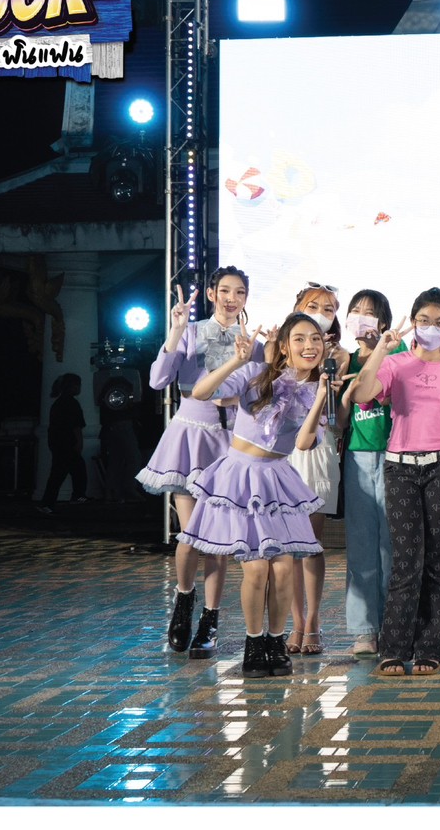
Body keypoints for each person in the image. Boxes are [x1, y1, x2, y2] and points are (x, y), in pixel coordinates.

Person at [180, 312, 328, 679]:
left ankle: (275, 643)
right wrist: (237, 360)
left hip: (277, 479)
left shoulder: (319, 390)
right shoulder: (256, 373)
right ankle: (253, 643)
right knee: (257, 567)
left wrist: (321, 398)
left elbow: (304, 443)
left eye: (315, 339)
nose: (309, 346)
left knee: (283, 568)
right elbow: (201, 392)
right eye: (299, 339)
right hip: (239, 477)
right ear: (285, 346)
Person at [351, 288, 440, 677]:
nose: (431, 328)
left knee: (437, 562)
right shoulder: (395, 364)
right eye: (424, 320)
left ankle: (432, 648)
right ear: (413, 321)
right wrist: (381, 349)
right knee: (406, 561)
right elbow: (362, 394)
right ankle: (393, 647)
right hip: (401, 468)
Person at [134, 267, 250, 659]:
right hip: (190, 437)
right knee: (192, 535)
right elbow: (157, 380)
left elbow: (261, 390)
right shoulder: (192, 330)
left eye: (240, 292)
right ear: (212, 294)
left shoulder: (252, 340)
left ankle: (210, 621)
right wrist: (177, 329)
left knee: (218, 542)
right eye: (225, 291)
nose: (232, 298)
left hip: (231, 442)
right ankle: (184, 601)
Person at [284, 283, 353, 655]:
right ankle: (295, 622)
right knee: (289, 547)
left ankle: (312, 622)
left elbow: (338, 419)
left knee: (310, 544)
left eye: (328, 309)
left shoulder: (338, 356)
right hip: (281, 454)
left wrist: (337, 384)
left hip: (317, 454)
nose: (321, 314)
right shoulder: (281, 349)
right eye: (313, 306)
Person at [338, 290, 401, 657]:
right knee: (362, 543)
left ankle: (393, 624)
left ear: (383, 322)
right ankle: (364, 630)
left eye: (370, 312)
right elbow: (339, 421)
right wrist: (345, 397)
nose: (361, 317)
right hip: (358, 456)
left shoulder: (398, 354)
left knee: (393, 544)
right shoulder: (343, 360)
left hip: (395, 455)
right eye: (356, 311)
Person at [39, 373, 87, 509]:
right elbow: (76, 426)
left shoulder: (58, 403)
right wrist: (79, 442)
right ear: (73, 386)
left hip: (57, 443)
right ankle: (76, 497)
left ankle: (49, 502)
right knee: (75, 472)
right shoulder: (72, 403)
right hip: (68, 444)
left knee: (59, 473)